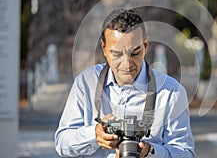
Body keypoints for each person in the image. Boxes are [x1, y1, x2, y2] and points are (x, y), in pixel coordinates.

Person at [55, 9, 195, 157]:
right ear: (104, 48)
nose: (126, 64)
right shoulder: (86, 83)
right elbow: (62, 144)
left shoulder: (172, 92)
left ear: (145, 46)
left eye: (135, 53)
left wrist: (151, 152)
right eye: (116, 54)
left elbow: (185, 153)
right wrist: (94, 134)